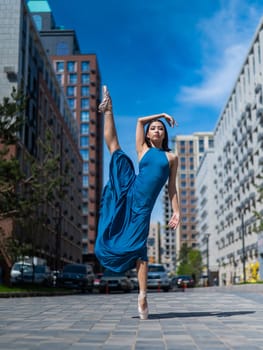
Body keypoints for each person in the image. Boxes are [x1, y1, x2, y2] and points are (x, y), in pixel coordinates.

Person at [95, 86, 180, 320]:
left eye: (159, 128)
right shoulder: (143, 149)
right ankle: (108, 110)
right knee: (116, 151)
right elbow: (140, 120)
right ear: (148, 133)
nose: (155, 129)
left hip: (142, 208)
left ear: (164, 135)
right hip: (129, 189)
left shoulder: (171, 158)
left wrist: (176, 211)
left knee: (140, 249)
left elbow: (172, 187)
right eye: (153, 128)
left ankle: (142, 294)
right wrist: (162, 114)